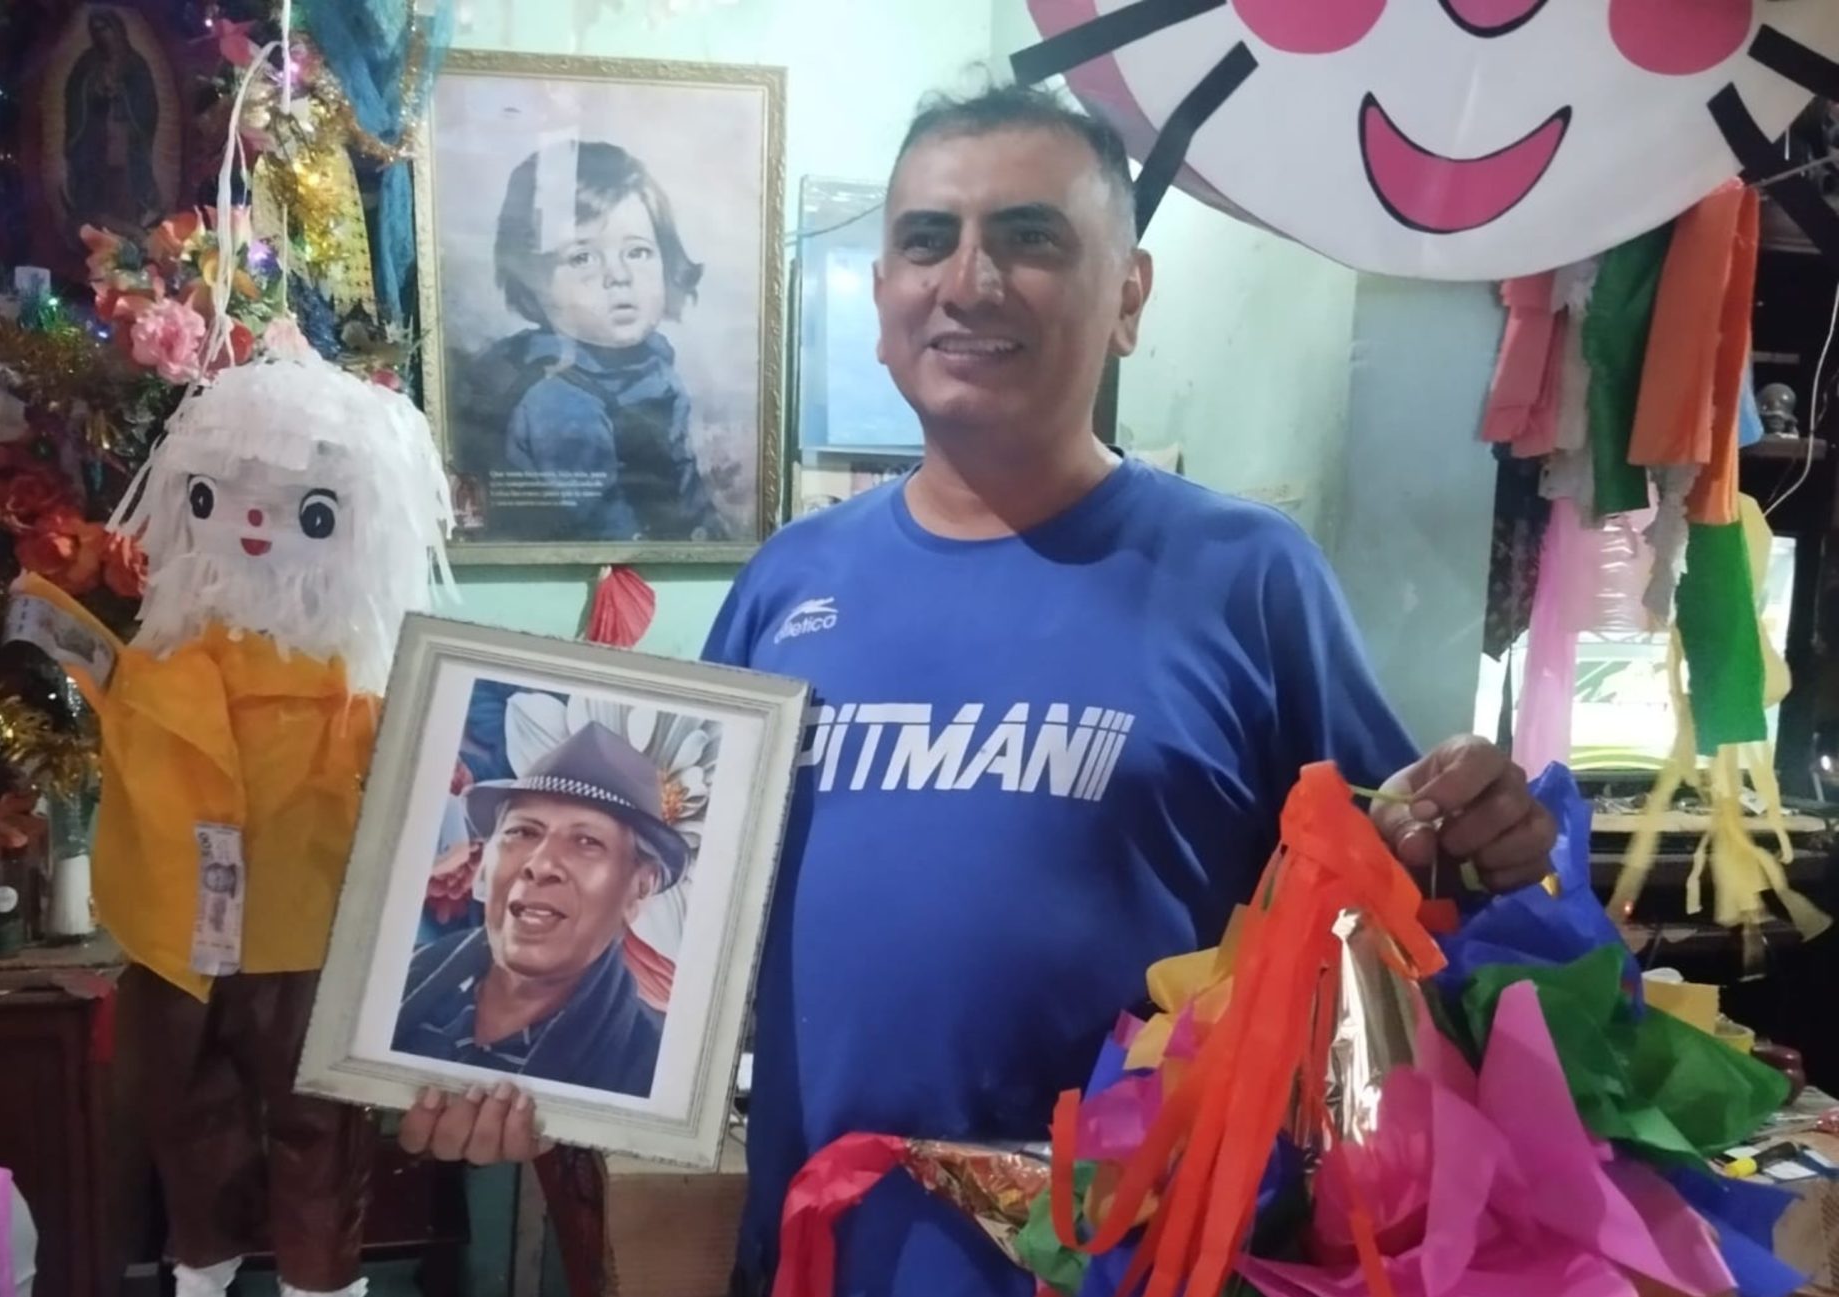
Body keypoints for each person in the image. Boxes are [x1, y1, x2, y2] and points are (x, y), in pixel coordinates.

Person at [400, 84, 1556, 1296]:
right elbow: (687, 917)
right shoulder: (788, 584)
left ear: (1127, 296)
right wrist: (524, 1066)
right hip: (821, 1258)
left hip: (1126, 1267)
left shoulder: (1247, 577)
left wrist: (1486, 845)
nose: (967, 280)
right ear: (884, 301)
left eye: (1028, 236)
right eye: (925, 240)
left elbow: (1395, 900)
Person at [450, 140, 727, 544]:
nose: (619, 276)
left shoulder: (653, 367)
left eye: (638, 252)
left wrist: (714, 543)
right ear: (533, 282)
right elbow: (605, 529)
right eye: (582, 257)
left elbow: (687, 492)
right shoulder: (558, 400)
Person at [395, 722, 685, 1098]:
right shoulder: (397, 984)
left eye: (587, 841)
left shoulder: (650, 1072)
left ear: (640, 888)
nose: (541, 864)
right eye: (523, 832)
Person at [61, 9, 162, 238]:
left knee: (124, 185)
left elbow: (147, 105)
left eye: (105, 28)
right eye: (95, 30)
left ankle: (132, 229)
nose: (101, 35)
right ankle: (93, 224)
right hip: (95, 137)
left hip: (125, 137)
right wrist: (93, 89)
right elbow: (74, 95)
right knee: (95, 184)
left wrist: (122, 94)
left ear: (117, 29)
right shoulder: (87, 62)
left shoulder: (135, 64)